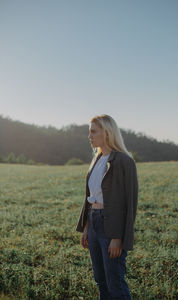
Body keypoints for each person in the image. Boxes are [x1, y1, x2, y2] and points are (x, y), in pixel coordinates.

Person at [76, 114, 138, 300]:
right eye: (90, 132)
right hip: (94, 222)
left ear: (107, 132)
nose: (90, 136)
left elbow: (128, 204)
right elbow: (90, 198)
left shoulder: (124, 161)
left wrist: (117, 237)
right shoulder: (96, 159)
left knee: (115, 283)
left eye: (94, 131)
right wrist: (86, 228)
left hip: (111, 227)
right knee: (101, 281)